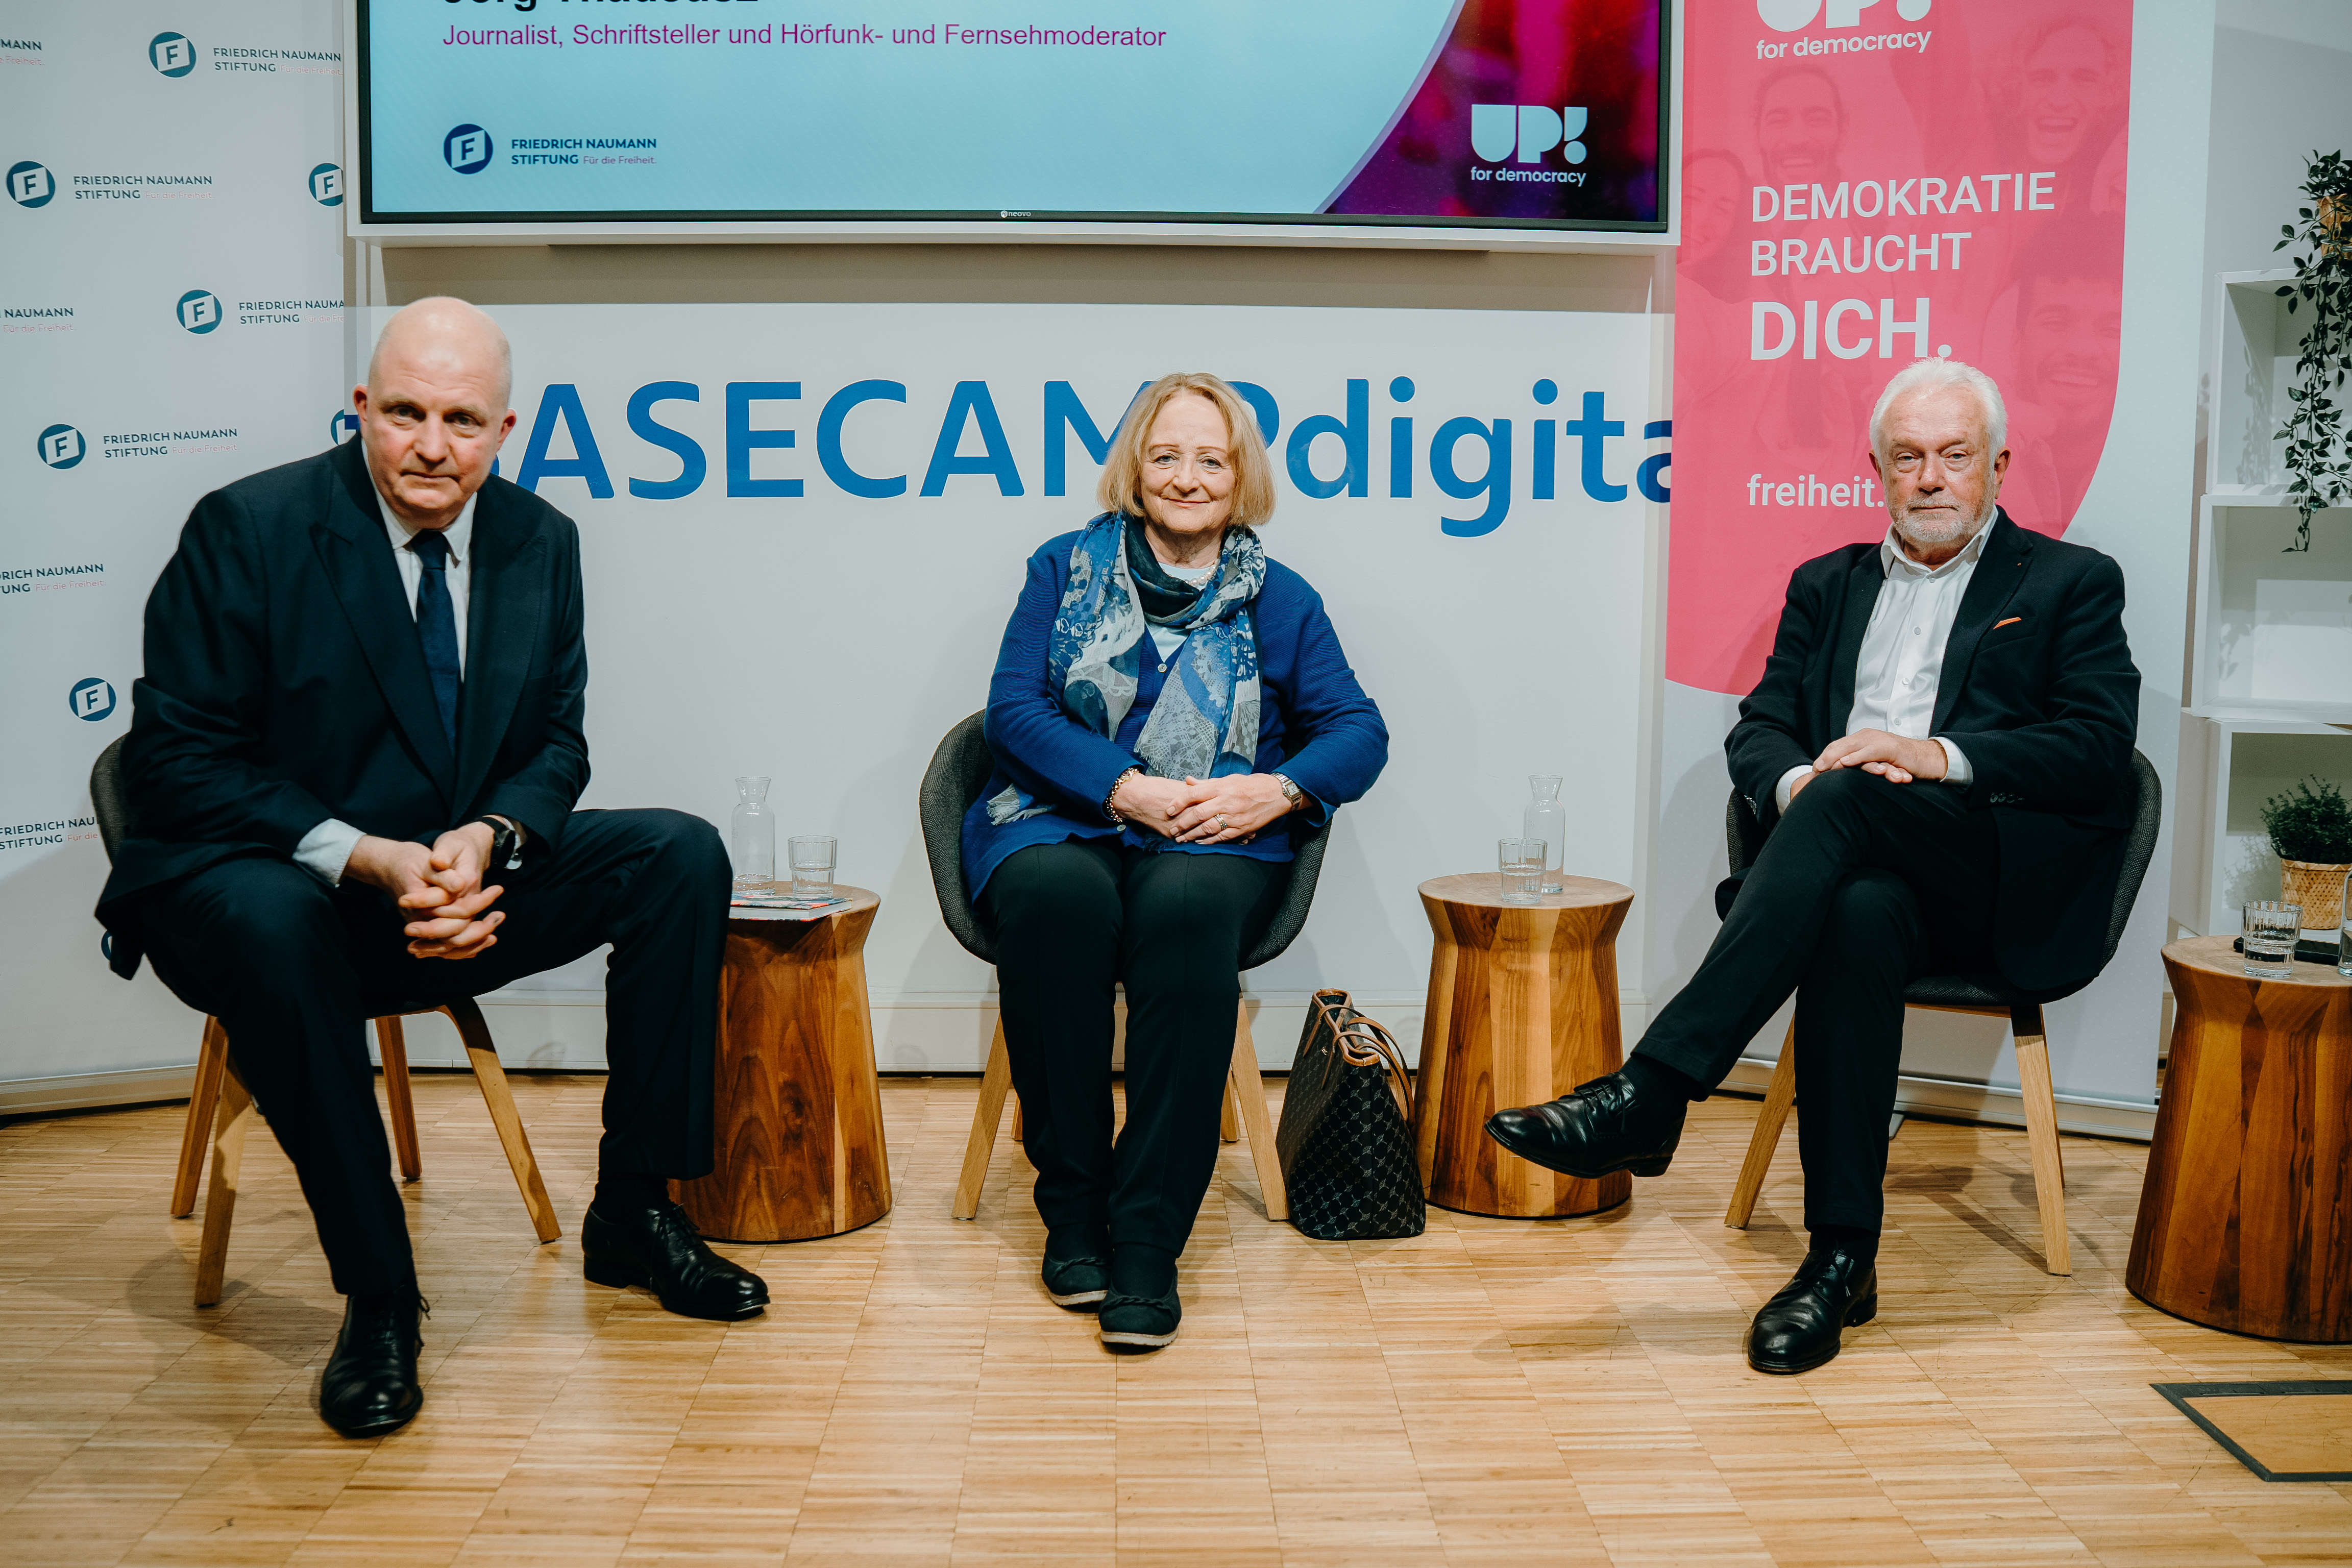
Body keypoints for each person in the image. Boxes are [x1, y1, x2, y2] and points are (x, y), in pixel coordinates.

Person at [95, 298, 768, 1438]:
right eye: (404, 412)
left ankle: (636, 1209)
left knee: (678, 853)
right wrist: (366, 858)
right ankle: (380, 1296)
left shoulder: (540, 540)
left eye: (462, 420)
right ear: (362, 408)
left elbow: (556, 740)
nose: (430, 445)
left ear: (505, 430)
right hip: (272, 886)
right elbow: (177, 763)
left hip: (445, 886)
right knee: (270, 918)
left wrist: (490, 843)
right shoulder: (247, 529)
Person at [1487, 358, 2139, 1374]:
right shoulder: (1827, 586)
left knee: (1855, 794)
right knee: (1855, 909)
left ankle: (1653, 1094)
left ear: (1999, 466)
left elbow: (2098, 748)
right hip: (1865, 873)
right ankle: (1842, 1262)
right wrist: (1803, 796)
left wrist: (1936, 757)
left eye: (1955, 455)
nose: (1930, 477)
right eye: (1908, 457)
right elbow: (1764, 732)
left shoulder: (2069, 583)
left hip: (1995, 878)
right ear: (1876, 468)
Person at [962, 372, 1387, 1350]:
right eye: (1166, 456)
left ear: (1241, 477)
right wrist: (1124, 788)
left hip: (1212, 830)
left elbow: (1357, 731)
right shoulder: (1062, 567)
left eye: (1211, 459)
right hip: (1064, 815)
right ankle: (1073, 1214)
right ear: (1134, 469)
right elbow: (1014, 713)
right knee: (1051, 898)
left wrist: (1275, 789)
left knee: (1187, 913)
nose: (1186, 478)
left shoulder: (1283, 600)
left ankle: (1149, 1240)